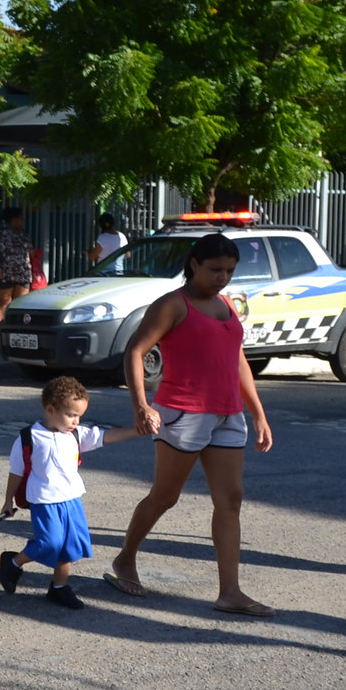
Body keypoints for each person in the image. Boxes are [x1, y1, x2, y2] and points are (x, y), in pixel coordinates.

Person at [105, 232, 276, 616]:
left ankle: (230, 592)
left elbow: (237, 361)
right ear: (195, 264)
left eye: (230, 270)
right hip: (183, 412)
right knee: (165, 496)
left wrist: (258, 413)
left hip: (228, 415)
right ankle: (125, 558)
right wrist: (140, 405)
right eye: (216, 269)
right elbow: (135, 350)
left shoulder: (227, 305)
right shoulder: (173, 304)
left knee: (230, 499)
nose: (223, 277)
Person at [0, 375, 139, 610]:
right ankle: (13, 562)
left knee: (69, 547)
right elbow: (16, 472)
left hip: (72, 499)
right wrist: (7, 501)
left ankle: (59, 588)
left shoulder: (75, 435)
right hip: (44, 501)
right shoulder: (28, 438)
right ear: (51, 409)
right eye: (71, 415)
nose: (76, 421)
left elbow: (106, 436)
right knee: (49, 543)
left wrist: (136, 430)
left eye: (79, 416)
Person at [0, 206, 34, 323]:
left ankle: (17, 327)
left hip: (22, 272)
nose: (23, 221)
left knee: (21, 302)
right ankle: (0, 328)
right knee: (3, 301)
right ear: (13, 219)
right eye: (21, 218)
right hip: (5, 271)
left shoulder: (23, 233)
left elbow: (29, 251)